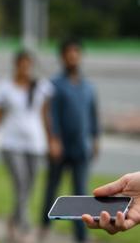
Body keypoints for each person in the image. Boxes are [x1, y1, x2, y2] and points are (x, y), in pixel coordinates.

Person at [0, 50, 55, 243]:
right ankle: (24, 229)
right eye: (22, 64)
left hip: (35, 144)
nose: (25, 68)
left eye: (28, 64)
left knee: (28, 188)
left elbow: (46, 116)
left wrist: (51, 140)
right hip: (12, 144)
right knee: (21, 184)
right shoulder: (4, 88)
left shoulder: (41, 87)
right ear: (16, 65)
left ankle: (12, 224)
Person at [39, 38, 100, 242]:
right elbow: (50, 114)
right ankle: (44, 231)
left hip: (80, 148)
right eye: (68, 52)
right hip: (60, 148)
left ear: (81, 55)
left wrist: (96, 139)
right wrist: (53, 140)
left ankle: (81, 236)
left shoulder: (88, 86)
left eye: (76, 52)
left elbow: (93, 115)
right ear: (62, 57)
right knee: (52, 191)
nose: (73, 56)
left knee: (80, 195)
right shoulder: (54, 85)